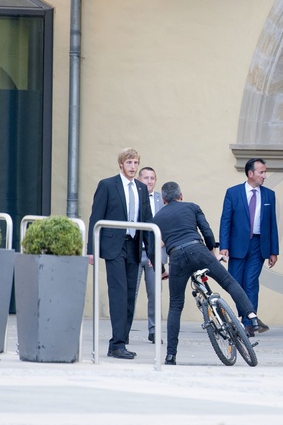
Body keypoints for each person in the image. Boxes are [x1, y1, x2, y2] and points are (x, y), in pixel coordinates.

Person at [153, 181, 268, 365]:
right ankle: (252, 316)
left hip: (176, 257)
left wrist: (162, 270)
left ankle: (170, 355)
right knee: (228, 282)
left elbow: (152, 247)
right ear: (181, 196)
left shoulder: (157, 218)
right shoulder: (192, 207)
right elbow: (207, 232)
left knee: (175, 306)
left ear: (163, 200)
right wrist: (212, 254)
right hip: (198, 250)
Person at [87, 148, 154, 360]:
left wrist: (152, 254)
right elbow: (95, 217)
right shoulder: (108, 185)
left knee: (130, 295)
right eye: (129, 163)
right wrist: (91, 250)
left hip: (134, 245)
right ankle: (117, 344)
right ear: (121, 164)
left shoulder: (141, 188)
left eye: (135, 163)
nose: (133, 167)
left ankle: (121, 341)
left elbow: (147, 221)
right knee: (118, 293)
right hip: (114, 246)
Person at [219, 158, 279, 337]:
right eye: (261, 172)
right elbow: (225, 220)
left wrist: (274, 251)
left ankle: (249, 323)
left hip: (259, 245)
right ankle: (243, 316)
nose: (264, 176)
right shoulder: (233, 192)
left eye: (265, 172)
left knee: (251, 283)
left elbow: (272, 223)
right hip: (236, 245)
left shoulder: (269, 195)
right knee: (236, 283)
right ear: (250, 173)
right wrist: (224, 246)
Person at [134, 166, 166, 344]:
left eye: (152, 178)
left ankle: (154, 331)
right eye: (146, 178)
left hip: (155, 254)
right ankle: (123, 331)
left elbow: (169, 222)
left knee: (154, 294)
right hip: (136, 251)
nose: (149, 181)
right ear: (139, 179)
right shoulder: (133, 196)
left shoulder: (162, 199)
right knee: (131, 293)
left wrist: (163, 241)